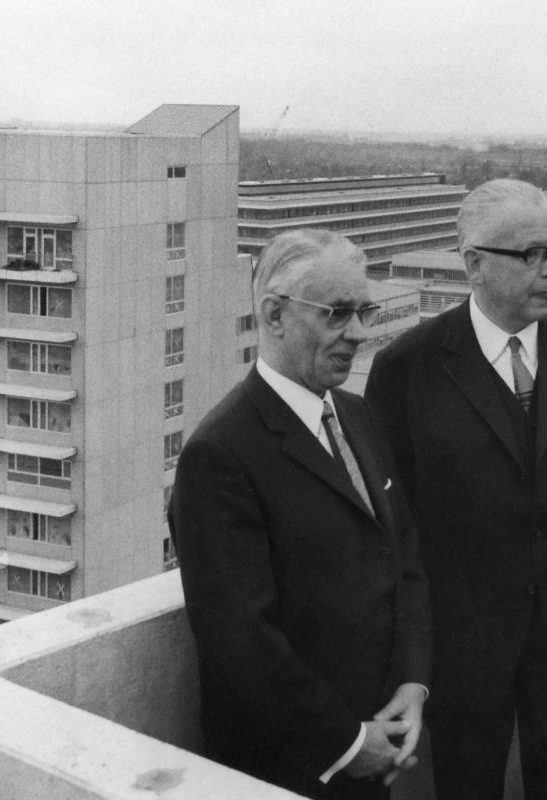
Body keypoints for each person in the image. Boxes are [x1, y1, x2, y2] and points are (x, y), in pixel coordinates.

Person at [365, 178, 547, 800]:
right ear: (474, 264)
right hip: (463, 651)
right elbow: (393, 529)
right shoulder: (408, 365)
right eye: (532, 255)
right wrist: (411, 658)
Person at [169, 230, 430, 800]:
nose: (358, 333)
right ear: (274, 314)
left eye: (363, 311)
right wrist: (345, 744)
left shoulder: (357, 415)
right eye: (337, 313)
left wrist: (414, 681)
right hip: (288, 768)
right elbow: (240, 640)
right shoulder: (220, 454)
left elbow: (402, 552)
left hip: (375, 747)